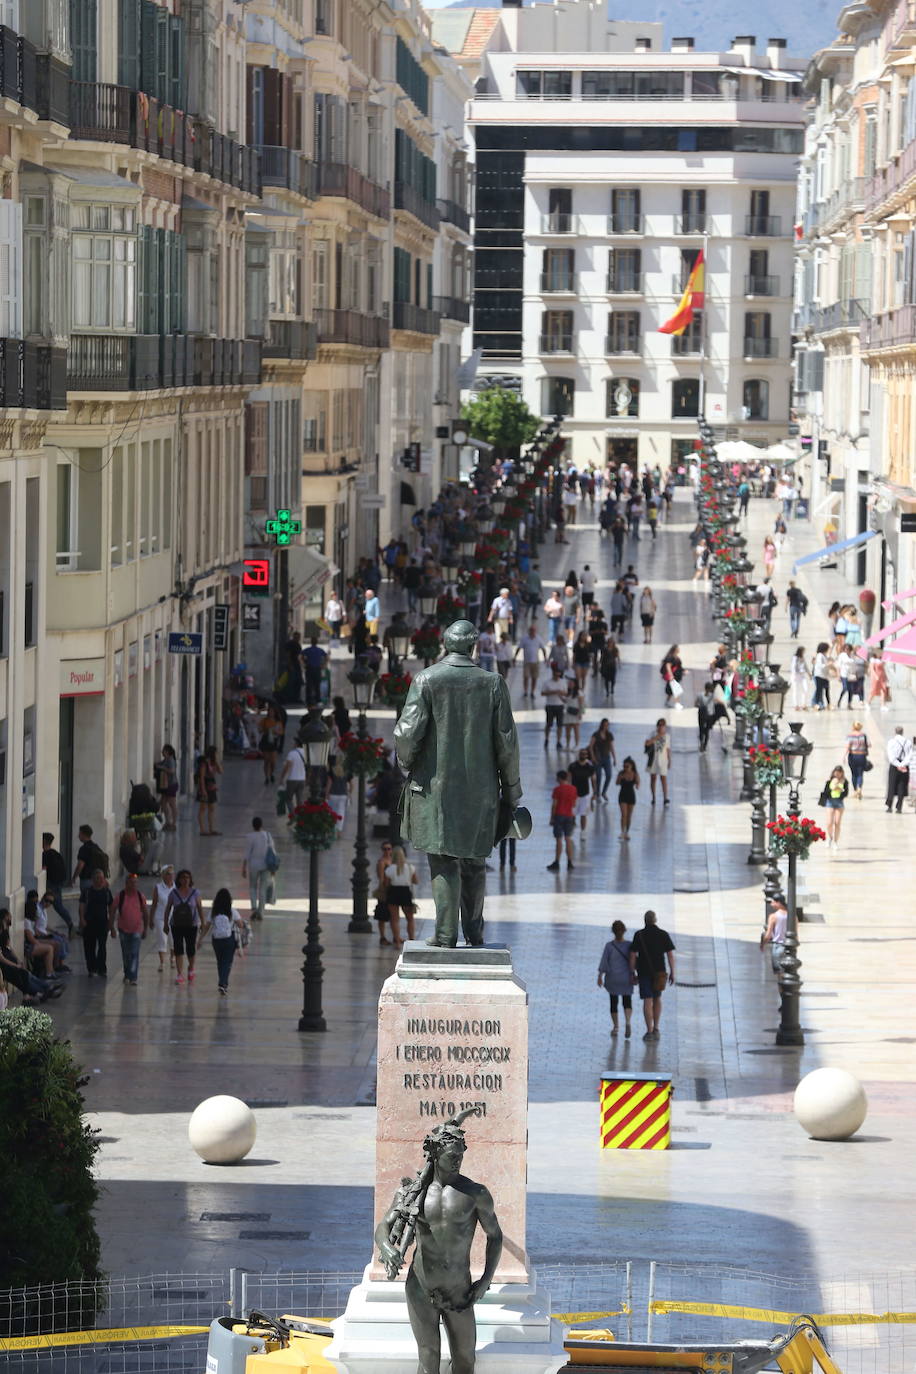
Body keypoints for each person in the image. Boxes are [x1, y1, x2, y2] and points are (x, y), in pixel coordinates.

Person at [394, 621, 522, 949]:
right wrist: (512, 791)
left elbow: (407, 733)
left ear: (444, 643)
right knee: (476, 861)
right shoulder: (493, 684)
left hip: (435, 792)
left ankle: (445, 933)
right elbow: (506, 743)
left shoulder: (426, 680)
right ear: (473, 647)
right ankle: (475, 932)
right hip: (481, 794)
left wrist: (406, 764)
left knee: (442, 858)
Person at [374, 1113, 502, 1374]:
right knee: (428, 1357)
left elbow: (495, 1236)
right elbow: (384, 1227)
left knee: (465, 1358)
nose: (457, 1162)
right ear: (434, 1154)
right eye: (451, 1157)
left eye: (460, 1156)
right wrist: (387, 1249)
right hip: (420, 1288)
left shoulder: (475, 1194)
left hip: (459, 1290)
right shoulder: (412, 1194)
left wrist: (485, 1281)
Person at [628, 910, 676, 1041]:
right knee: (657, 998)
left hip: (643, 972)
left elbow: (633, 955)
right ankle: (656, 1028)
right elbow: (670, 955)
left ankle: (649, 1031)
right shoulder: (663, 934)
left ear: (645, 921)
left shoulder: (639, 935)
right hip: (659, 972)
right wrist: (673, 972)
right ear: (655, 920)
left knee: (647, 1001)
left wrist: (632, 972)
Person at [200, 888, 244, 995]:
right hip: (229, 940)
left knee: (220, 962)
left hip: (216, 940)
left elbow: (206, 926)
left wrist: (200, 939)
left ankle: (223, 983)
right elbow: (240, 925)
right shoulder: (232, 911)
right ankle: (223, 983)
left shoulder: (213, 912)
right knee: (227, 962)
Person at [163, 869, 203, 985]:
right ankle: (179, 974)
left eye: (187, 877)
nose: (185, 880)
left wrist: (203, 923)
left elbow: (199, 908)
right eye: (183, 877)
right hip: (176, 925)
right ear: (179, 879)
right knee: (178, 948)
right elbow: (168, 909)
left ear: (190, 880)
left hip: (192, 924)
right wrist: (165, 924)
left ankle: (191, 968)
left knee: (191, 948)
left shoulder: (196, 893)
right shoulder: (173, 893)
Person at [109, 872, 149, 985]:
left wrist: (145, 929)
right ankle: (127, 974)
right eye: (131, 883)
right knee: (126, 954)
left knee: (134, 953)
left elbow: (145, 913)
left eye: (135, 883)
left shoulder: (141, 897)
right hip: (123, 929)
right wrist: (111, 927)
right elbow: (112, 911)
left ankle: (133, 977)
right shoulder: (120, 896)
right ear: (126, 884)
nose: (134, 885)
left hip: (137, 929)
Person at [597, 920, 634, 1038]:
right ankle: (628, 1021)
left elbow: (604, 962)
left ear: (613, 931)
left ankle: (616, 1027)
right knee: (627, 1001)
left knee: (614, 1002)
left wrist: (600, 976)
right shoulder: (630, 945)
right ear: (624, 931)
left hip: (612, 978)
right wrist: (635, 973)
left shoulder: (609, 946)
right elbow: (634, 961)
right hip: (626, 978)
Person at [383, 845, 419, 946]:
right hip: (405, 892)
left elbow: (386, 884)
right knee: (410, 918)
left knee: (395, 919)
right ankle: (412, 941)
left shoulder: (390, 869)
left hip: (393, 892)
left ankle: (397, 942)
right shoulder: (410, 867)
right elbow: (416, 881)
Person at [81, 868, 113, 978]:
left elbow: (111, 907)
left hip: (102, 923)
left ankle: (101, 969)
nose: (99, 880)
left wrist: (111, 923)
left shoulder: (107, 892)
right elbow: (82, 905)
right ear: (92, 879)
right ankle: (91, 968)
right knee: (89, 947)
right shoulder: (87, 891)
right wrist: (82, 919)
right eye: (97, 878)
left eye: (101, 878)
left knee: (102, 946)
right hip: (89, 923)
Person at [41, 832, 73, 933]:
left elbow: (44, 869)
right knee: (57, 905)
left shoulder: (45, 854)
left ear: (44, 841)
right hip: (58, 883)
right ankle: (69, 923)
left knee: (55, 905)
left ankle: (70, 924)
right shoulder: (56, 853)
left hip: (51, 884)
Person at [241, 816, 273, 920]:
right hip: (266, 865)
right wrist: (273, 868)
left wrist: (244, 867)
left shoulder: (250, 836)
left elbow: (247, 853)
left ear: (253, 825)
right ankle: (261, 912)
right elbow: (272, 851)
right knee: (262, 888)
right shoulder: (267, 835)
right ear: (261, 825)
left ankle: (254, 907)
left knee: (253, 887)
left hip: (254, 865)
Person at [72, 824, 108, 910]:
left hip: (86, 880)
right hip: (98, 880)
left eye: (79, 834)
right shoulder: (96, 847)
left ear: (84, 834)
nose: (78, 836)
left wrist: (74, 877)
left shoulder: (84, 849)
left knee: (86, 903)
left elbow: (80, 865)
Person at [547, 769, 577, 872]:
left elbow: (554, 805)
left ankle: (557, 862)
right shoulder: (573, 789)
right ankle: (569, 862)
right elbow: (574, 804)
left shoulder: (557, 789)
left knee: (559, 839)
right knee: (568, 838)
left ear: (559, 778)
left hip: (559, 815)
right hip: (569, 815)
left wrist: (552, 818)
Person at [150, 863, 175, 971]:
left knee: (173, 940)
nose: (171, 876)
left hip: (173, 918)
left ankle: (173, 958)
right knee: (162, 939)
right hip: (160, 917)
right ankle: (162, 962)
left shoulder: (176, 887)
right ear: (163, 875)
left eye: (172, 874)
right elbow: (154, 904)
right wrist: (151, 918)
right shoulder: (158, 888)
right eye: (168, 874)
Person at [514, 625, 547, 699]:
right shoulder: (524, 639)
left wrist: (545, 658)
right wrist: (515, 657)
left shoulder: (538, 638)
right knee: (526, 677)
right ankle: (525, 691)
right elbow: (519, 648)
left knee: (534, 678)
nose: (532, 632)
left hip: (535, 662)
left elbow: (543, 648)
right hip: (527, 662)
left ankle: (532, 691)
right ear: (529, 631)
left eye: (534, 630)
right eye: (531, 630)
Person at [644, 718, 672, 805]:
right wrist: (657, 736)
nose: (661, 727)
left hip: (663, 760)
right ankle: (653, 797)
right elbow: (647, 743)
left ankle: (665, 798)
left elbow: (667, 749)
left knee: (663, 778)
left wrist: (669, 760)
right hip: (653, 759)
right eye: (659, 725)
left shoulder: (667, 736)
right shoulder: (652, 734)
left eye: (662, 725)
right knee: (653, 778)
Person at [196, 745, 222, 835]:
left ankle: (211, 828)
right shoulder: (204, 763)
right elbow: (202, 777)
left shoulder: (213, 763)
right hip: (205, 786)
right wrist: (203, 790)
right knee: (203, 808)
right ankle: (202, 829)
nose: (217, 754)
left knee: (211, 808)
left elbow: (221, 771)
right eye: (216, 753)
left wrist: (217, 762)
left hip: (212, 787)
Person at [820, 765, 848, 849]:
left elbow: (846, 793)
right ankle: (830, 837)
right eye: (836, 772)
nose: (838, 774)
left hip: (839, 802)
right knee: (829, 822)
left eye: (840, 772)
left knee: (837, 822)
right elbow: (825, 792)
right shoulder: (829, 782)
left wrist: (840, 789)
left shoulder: (844, 782)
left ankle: (835, 841)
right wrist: (833, 787)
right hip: (830, 802)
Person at [589, 719, 617, 801]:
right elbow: (591, 746)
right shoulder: (596, 734)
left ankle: (604, 792)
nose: (606, 726)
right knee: (598, 776)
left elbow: (612, 747)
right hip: (597, 758)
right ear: (601, 725)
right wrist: (593, 757)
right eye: (604, 725)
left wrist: (614, 758)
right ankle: (597, 794)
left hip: (606, 758)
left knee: (609, 775)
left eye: (607, 725)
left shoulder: (609, 735)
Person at [885, 726, 912, 813]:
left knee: (892, 786)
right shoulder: (908, 742)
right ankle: (899, 807)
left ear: (895, 732)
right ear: (902, 732)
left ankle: (889, 806)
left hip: (894, 766)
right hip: (905, 766)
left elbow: (890, 756)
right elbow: (909, 755)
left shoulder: (891, 742)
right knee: (902, 786)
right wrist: (903, 764)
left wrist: (897, 764)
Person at [569, 748, 596, 834]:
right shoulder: (573, 766)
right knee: (572, 813)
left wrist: (594, 792)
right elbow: (569, 778)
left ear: (587, 755)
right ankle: (572, 824)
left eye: (585, 754)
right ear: (579, 755)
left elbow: (593, 780)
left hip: (585, 794)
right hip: (574, 794)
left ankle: (583, 831)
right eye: (582, 753)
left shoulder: (590, 767)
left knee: (583, 814)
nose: (583, 755)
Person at [541, 664, 567, 749]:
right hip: (550, 705)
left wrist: (560, 692)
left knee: (560, 725)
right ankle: (547, 738)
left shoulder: (563, 682)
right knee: (549, 724)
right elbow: (543, 693)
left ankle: (558, 741)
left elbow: (566, 693)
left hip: (559, 705)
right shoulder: (547, 682)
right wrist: (553, 692)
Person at [280, 738, 308, 814]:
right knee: (300, 800)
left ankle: (293, 816)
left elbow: (287, 766)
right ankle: (301, 817)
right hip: (302, 779)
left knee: (288, 799)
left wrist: (282, 777)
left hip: (292, 779)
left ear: (296, 744)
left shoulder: (292, 753)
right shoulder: (306, 753)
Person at [844, 721, 871, 799]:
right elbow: (869, 745)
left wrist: (844, 756)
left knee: (853, 774)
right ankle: (859, 788)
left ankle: (855, 790)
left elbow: (848, 746)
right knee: (860, 774)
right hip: (861, 756)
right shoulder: (863, 735)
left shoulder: (850, 735)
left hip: (852, 755)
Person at [760, 897, 787, 974]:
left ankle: (781, 986)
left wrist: (762, 944)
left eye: (772, 902)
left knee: (779, 973)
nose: (771, 904)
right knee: (787, 972)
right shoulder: (793, 916)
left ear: (778, 903)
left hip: (777, 946)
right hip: (789, 947)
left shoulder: (773, 916)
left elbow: (768, 935)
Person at [328, 762, 351, 833]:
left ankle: (332, 829)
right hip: (343, 795)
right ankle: (339, 830)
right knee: (341, 813)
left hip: (333, 794)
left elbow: (329, 783)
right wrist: (349, 793)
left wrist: (326, 793)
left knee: (332, 812)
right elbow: (352, 785)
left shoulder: (332, 771)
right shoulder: (347, 771)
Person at [696, 681, 718, 753]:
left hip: (706, 715)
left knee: (704, 730)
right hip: (705, 715)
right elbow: (696, 704)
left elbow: (696, 704)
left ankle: (703, 745)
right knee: (703, 730)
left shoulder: (709, 696)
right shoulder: (703, 695)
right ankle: (703, 745)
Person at [790, 646, 811, 712]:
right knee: (795, 690)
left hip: (802, 675)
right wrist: (795, 674)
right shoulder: (795, 658)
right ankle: (796, 705)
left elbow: (805, 666)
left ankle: (803, 704)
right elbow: (793, 667)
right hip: (796, 675)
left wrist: (809, 673)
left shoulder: (802, 657)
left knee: (805, 689)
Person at [812, 642, 831, 711]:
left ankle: (829, 704)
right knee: (819, 690)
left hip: (825, 676)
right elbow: (820, 665)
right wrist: (828, 665)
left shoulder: (824, 655)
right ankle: (816, 704)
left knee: (827, 690)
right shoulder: (820, 655)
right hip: (819, 675)